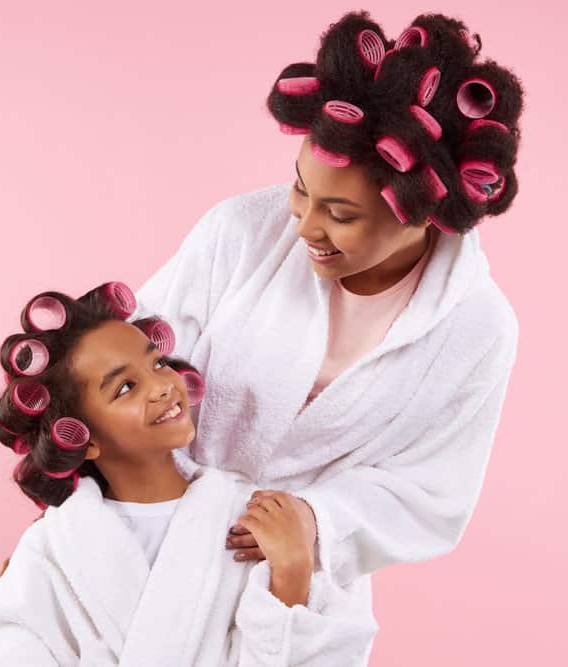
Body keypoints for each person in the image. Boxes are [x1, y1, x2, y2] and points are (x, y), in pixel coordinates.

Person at [129, 9, 523, 608]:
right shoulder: (238, 231)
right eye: (300, 188)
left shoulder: (476, 328)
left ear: (421, 214)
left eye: (341, 216)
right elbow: (134, 362)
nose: (305, 226)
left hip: (294, 581)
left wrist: (312, 521)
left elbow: (429, 491)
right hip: (146, 530)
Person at [0, 286, 378, 666]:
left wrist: (292, 576)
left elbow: (339, 649)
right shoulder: (54, 549)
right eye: (126, 388)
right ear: (83, 437)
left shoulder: (261, 518)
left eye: (158, 363)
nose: (163, 386)